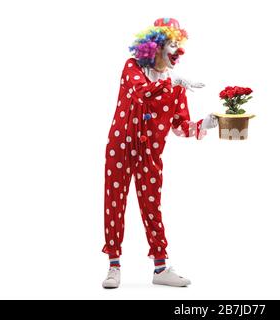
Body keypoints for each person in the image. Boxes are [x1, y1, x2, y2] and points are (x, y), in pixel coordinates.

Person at [102, 18, 218, 289]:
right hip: (121, 146)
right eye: (171, 44)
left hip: (151, 152)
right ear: (154, 47)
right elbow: (140, 93)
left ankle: (161, 268)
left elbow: (180, 127)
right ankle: (113, 265)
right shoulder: (132, 68)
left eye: (179, 44)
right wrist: (172, 84)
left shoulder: (177, 86)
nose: (178, 50)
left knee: (152, 207)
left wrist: (206, 124)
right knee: (114, 203)